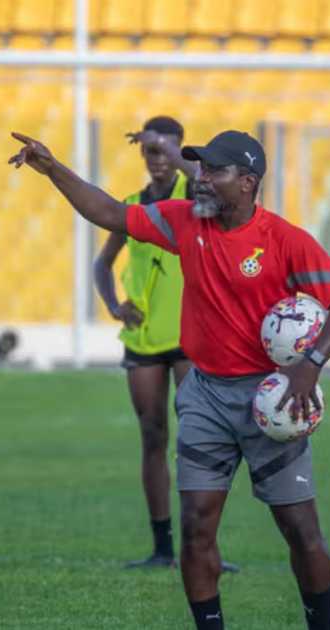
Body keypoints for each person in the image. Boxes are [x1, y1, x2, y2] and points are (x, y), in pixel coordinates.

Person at [9, 129, 330, 630]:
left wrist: (311, 363)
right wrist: (53, 170)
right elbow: (109, 212)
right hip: (204, 396)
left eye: (213, 170)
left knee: (301, 530)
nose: (200, 177)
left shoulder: (286, 241)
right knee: (197, 529)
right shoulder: (184, 223)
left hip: (274, 398)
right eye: (198, 167)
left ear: (246, 183)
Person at [95, 115, 227, 570]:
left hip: (191, 339)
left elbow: (199, 176)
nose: (157, 160)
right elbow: (102, 264)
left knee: (199, 440)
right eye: (150, 151)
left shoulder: (193, 196)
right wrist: (113, 303)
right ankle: (163, 547)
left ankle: (205, 545)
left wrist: (173, 150)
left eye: (165, 151)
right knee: (152, 438)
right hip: (144, 339)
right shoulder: (133, 204)